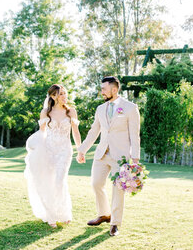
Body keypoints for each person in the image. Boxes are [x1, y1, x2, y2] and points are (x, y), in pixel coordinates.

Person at [76, 76, 140, 236]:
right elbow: (93, 131)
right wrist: (82, 150)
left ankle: (115, 223)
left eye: (104, 89)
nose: (102, 92)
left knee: (118, 189)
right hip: (102, 154)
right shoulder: (100, 109)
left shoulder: (131, 108)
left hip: (121, 156)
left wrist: (135, 158)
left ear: (114, 89)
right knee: (96, 183)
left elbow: (135, 134)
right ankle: (104, 214)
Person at [24, 84, 81, 228]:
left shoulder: (71, 112)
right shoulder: (45, 113)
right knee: (49, 181)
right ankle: (51, 215)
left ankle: (64, 213)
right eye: (60, 94)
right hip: (49, 150)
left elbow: (75, 132)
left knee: (60, 180)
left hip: (65, 150)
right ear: (53, 96)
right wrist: (36, 150)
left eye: (65, 93)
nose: (64, 96)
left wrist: (80, 149)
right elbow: (41, 134)